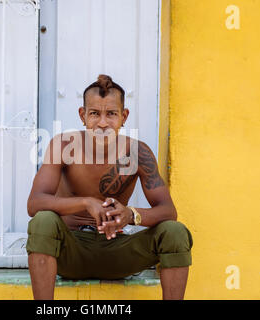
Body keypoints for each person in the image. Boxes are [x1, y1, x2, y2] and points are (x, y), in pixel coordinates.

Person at [26, 74, 193, 300]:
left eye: (111, 114)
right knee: (43, 221)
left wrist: (130, 214)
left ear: (124, 116)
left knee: (175, 232)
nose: (103, 123)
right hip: (71, 250)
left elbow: (168, 211)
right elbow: (35, 203)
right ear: (82, 115)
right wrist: (86, 202)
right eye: (94, 113)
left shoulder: (137, 153)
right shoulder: (63, 146)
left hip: (119, 251)